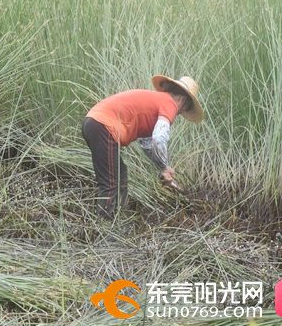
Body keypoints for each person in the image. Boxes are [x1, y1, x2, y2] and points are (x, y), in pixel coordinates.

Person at [82, 75, 204, 219]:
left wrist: (163, 167)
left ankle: (118, 219)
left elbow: (147, 144)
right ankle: (106, 230)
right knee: (110, 184)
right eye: (184, 109)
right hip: (103, 126)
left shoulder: (156, 101)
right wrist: (165, 168)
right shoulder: (170, 104)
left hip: (94, 123)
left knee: (120, 174)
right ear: (184, 100)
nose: (179, 113)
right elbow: (159, 139)